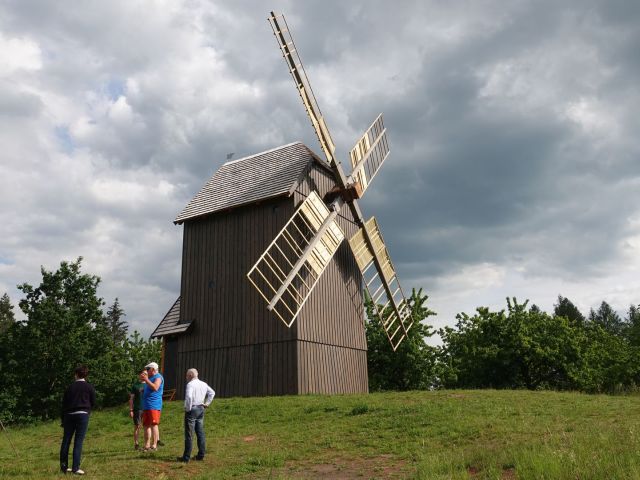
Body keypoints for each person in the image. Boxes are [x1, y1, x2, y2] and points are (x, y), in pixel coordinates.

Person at [60, 365, 96, 475]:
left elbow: (64, 404)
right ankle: (75, 468)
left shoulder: (69, 387)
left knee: (66, 441)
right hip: (82, 415)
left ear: (76, 375)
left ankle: (64, 467)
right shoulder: (89, 387)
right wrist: (87, 411)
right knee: (78, 441)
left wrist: (63, 419)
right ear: (86, 375)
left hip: (69, 415)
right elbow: (93, 401)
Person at [177, 368, 215, 463]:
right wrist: (207, 403)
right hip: (201, 408)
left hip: (192, 409)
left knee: (189, 434)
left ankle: (186, 457)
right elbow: (212, 393)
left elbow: (189, 397)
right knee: (200, 433)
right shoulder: (204, 384)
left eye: (187, 375)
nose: (186, 377)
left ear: (190, 375)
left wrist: (188, 408)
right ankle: (201, 455)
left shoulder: (190, 384)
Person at [140, 361, 164, 452]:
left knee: (154, 425)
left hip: (154, 405)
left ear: (153, 369)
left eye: (148, 369)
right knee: (146, 425)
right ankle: (147, 446)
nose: (146, 371)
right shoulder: (150, 378)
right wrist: (143, 390)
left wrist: (146, 380)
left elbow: (155, 387)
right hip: (146, 405)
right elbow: (150, 388)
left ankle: (154, 445)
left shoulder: (158, 377)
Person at [128, 371, 145, 450]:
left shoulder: (149, 384)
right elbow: (131, 399)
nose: (143, 375)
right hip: (138, 409)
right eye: (141, 374)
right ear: (139, 376)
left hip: (147, 408)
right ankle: (136, 444)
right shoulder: (135, 386)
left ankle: (147, 444)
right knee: (137, 426)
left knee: (147, 426)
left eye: (145, 374)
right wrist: (131, 410)